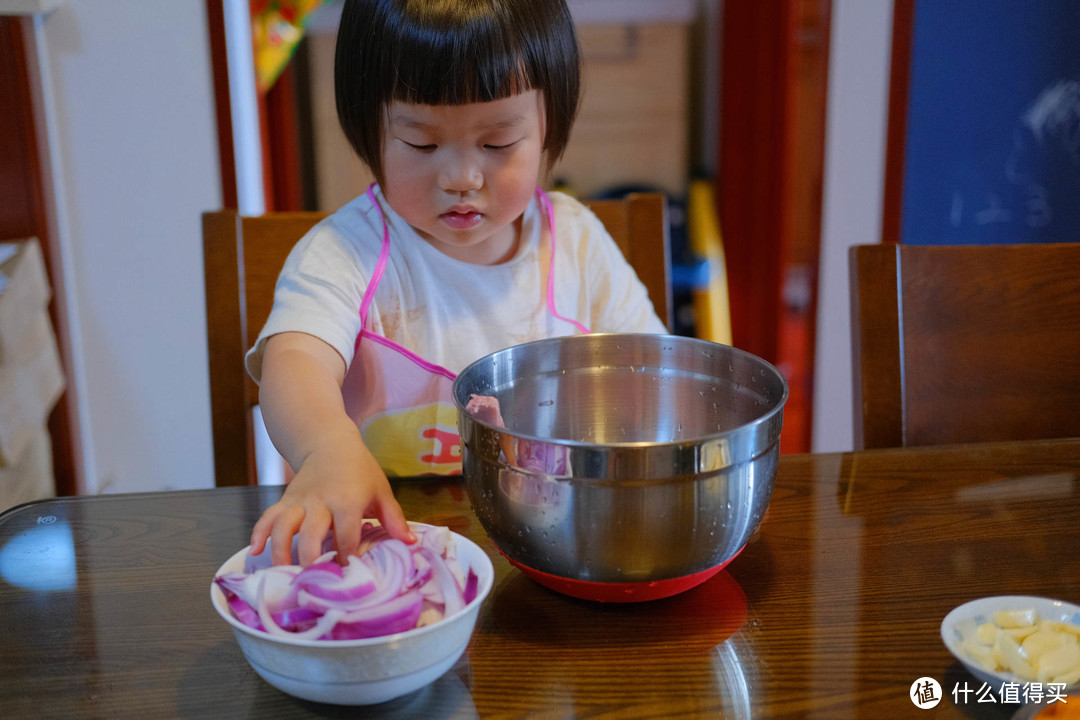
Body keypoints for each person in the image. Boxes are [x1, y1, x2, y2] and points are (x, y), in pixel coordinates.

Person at [245, 0, 666, 566]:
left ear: (548, 128)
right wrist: (326, 446)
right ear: (368, 131)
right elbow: (294, 360)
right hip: (383, 547)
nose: (462, 178)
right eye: (422, 144)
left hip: (553, 544)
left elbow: (653, 378)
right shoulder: (345, 253)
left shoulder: (577, 245)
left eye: (497, 145)